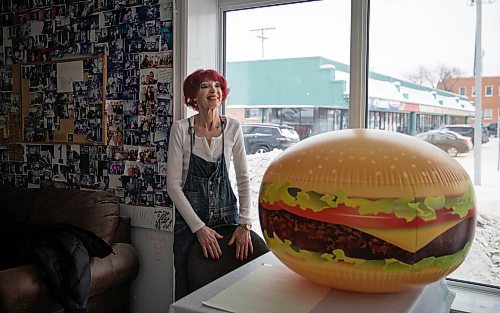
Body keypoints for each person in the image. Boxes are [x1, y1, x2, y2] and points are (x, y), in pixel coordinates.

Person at [166, 69, 253, 300]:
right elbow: (173, 186)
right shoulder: (181, 130)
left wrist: (244, 223)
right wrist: (199, 228)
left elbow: (243, 177)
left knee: (230, 292)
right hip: (189, 223)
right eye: (205, 86)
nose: (213, 90)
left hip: (228, 219)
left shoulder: (233, 127)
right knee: (188, 293)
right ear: (193, 96)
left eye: (217, 86)